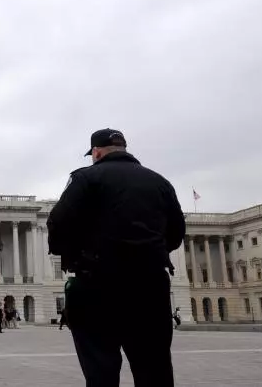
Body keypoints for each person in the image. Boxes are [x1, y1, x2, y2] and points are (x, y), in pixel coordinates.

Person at [47, 128, 185, 387]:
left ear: (96, 152)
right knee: (154, 368)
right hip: (149, 284)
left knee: (101, 370)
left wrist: (73, 254)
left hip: (97, 283)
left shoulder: (85, 178)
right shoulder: (160, 182)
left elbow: (58, 223)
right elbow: (177, 232)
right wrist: (148, 254)